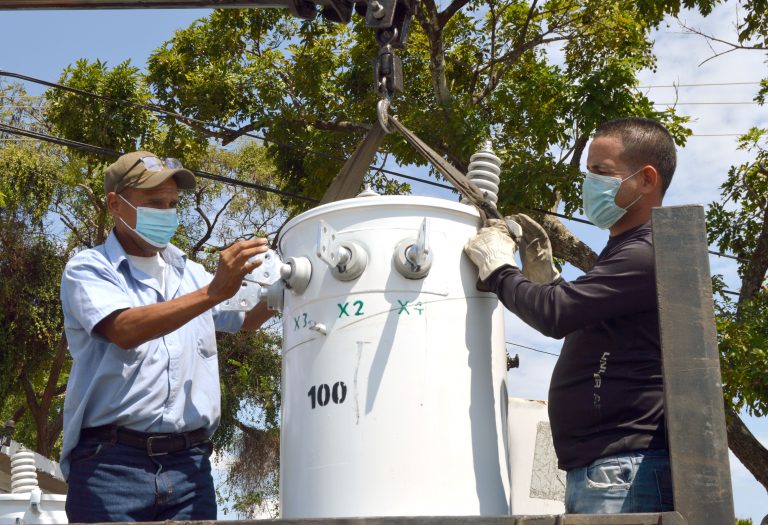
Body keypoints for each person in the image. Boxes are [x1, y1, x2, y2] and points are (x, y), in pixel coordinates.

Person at [464, 117, 676, 514]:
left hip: (624, 470)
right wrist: (548, 280)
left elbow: (557, 315)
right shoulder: (622, 251)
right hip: (607, 469)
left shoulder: (646, 251)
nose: (589, 183)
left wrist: (498, 269)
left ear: (647, 179)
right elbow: (579, 315)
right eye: (588, 172)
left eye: (602, 172)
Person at [60, 151, 275, 522]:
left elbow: (247, 318)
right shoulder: (89, 268)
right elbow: (124, 329)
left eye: (173, 204)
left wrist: (288, 284)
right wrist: (212, 293)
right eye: (154, 204)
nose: (166, 213)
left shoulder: (191, 274)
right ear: (115, 204)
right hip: (111, 467)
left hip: (190, 468)